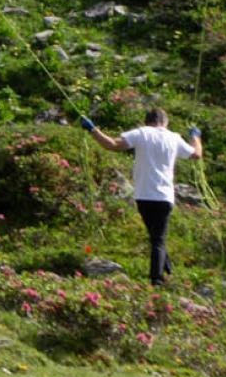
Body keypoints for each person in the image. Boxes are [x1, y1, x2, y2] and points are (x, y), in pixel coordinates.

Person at [81, 106, 200, 285]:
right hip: (164, 196)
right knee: (158, 238)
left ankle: (161, 273)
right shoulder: (174, 137)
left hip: (143, 195)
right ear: (165, 122)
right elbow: (196, 154)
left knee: (156, 237)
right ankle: (159, 277)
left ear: (147, 121)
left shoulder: (141, 133)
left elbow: (111, 145)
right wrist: (195, 136)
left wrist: (92, 129)